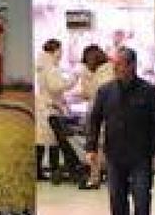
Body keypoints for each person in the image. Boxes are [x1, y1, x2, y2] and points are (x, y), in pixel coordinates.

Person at [85, 47, 155, 215]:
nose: (115, 67)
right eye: (115, 63)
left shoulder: (148, 92)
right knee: (116, 197)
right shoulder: (105, 92)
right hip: (114, 154)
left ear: (132, 66)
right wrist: (91, 147)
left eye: (120, 64)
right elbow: (94, 120)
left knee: (142, 197)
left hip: (141, 154)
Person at [35, 39, 75, 182]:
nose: (62, 53)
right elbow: (55, 86)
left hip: (44, 106)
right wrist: (72, 80)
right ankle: (54, 171)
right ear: (56, 50)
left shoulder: (42, 64)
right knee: (54, 141)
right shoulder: (51, 67)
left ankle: (38, 171)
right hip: (50, 108)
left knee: (41, 140)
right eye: (60, 50)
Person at [77, 45, 115, 189]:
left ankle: (94, 179)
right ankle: (98, 178)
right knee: (102, 148)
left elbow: (90, 93)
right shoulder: (108, 69)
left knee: (95, 148)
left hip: (101, 116)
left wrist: (84, 77)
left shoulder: (102, 73)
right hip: (108, 116)